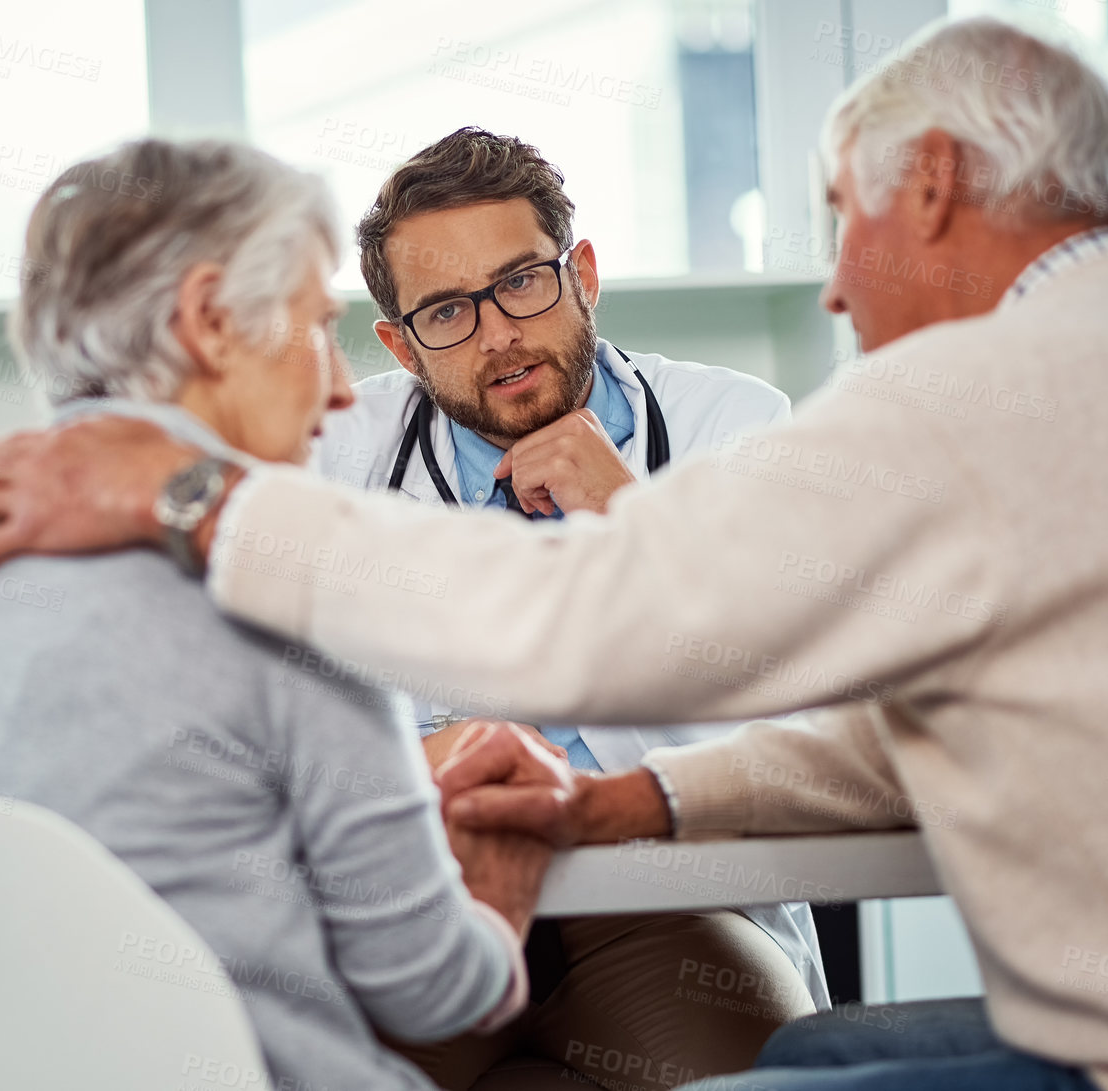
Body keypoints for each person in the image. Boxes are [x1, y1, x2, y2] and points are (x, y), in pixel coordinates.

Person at [0, 16, 1108, 1091]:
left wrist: (199, 499)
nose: (830, 280)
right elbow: (917, 728)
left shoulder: (975, 388)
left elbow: (586, 621)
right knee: (805, 1062)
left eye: (842, 216)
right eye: (443, 312)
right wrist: (620, 799)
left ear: (931, 183)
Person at [0, 139, 571, 1091]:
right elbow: (429, 991)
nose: (341, 389)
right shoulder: (275, 559)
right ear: (208, 321)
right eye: (319, 325)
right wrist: (501, 878)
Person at [315, 127, 823, 1087]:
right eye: (447, 313)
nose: (499, 333)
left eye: (521, 283)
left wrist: (629, 516)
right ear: (399, 342)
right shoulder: (339, 454)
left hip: (671, 903)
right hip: (419, 906)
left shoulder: (737, 428)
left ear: (580, 273)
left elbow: (797, 722)